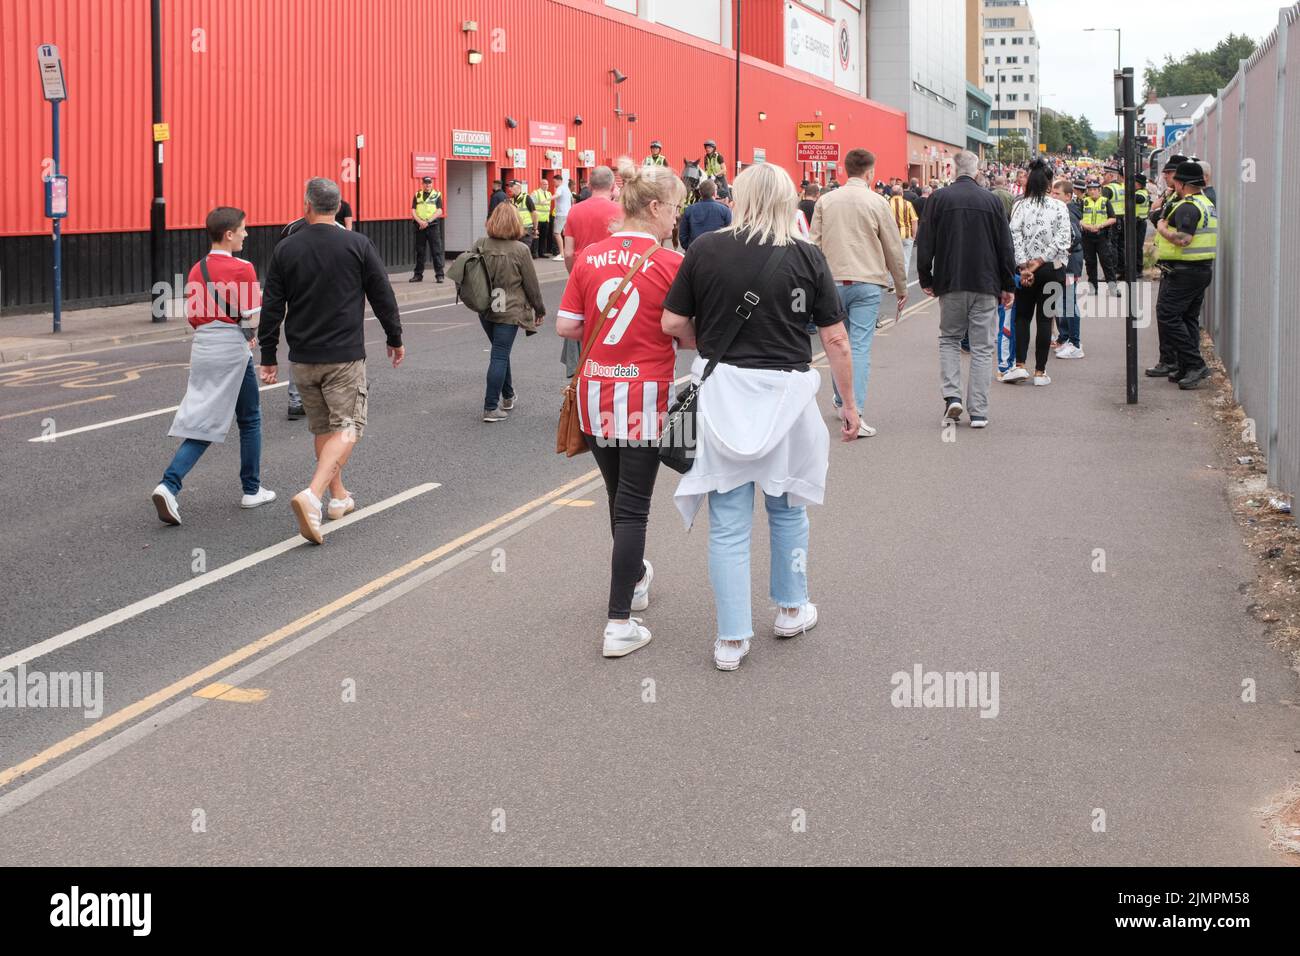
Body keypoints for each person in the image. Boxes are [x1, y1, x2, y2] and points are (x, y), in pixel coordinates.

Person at [661, 162, 858, 672]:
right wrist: (849, 403)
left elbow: (672, 321)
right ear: (790, 201)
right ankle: (791, 609)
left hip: (724, 390)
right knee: (789, 508)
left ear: (739, 197)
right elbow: (835, 338)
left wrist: (704, 340)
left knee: (727, 523)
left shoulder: (705, 249)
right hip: (786, 396)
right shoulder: (807, 257)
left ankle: (731, 639)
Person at [555, 159, 684, 657]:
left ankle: (634, 579)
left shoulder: (589, 257)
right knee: (635, 508)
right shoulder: (672, 263)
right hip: (644, 396)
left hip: (595, 392)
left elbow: (568, 326)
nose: (676, 217)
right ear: (653, 207)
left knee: (617, 498)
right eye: (673, 207)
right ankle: (618, 622)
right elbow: (683, 329)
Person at [257, 178, 404, 545]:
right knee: (350, 427)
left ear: (306, 203)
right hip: (343, 356)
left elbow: (273, 305)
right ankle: (313, 494)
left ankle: (339, 497)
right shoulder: (357, 244)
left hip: (303, 357)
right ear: (338, 208)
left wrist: (269, 354)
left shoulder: (286, 249)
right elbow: (382, 294)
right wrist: (395, 337)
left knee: (324, 429)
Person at [151, 206, 274, 525]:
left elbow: (193, 317)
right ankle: (246, 489)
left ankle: (172, 485)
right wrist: (250, 336)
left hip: (203, 347)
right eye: (243, 230)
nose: (247, 235)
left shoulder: (196, 269)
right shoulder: (243, 268)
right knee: (248, 419)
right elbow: (253, 314)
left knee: (208, 417)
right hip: (232, 347)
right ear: (229, 234)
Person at [809, 147, 908, 437]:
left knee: (836, 344)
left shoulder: (826, 202)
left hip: (831, 282)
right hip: (867, 281)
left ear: (845, 170)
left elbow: (813, 245)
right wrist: (901, 287)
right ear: (869, 173)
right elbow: (892, 246)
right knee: (860, 346)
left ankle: (842, 401)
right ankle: (857, 410)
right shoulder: (878, 202)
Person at [915, 150, 1017, 429]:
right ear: (977, 170)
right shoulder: (992, 201)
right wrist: (1008, 284)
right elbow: (1005, 246)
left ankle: (952, 397)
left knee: (949, 339)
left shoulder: (938, 199)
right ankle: (979, 411)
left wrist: (926, 277)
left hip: (950, 281)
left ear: (952, 169)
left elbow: (924, 242)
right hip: (986, 283)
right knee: (983, 347)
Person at [468, 202, 546, 422]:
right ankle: (491, 406)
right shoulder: (520, 250)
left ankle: (508, 396)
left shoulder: (480, 244)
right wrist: (539, 309)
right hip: (509, 310)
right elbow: (531, 285)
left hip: (485, 308)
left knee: (499, 352)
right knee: (500, 354)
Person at [1005, 159, 1072, 387]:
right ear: (1049, 182)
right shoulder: (1059, 207)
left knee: (1022, 317)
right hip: (1051, 270)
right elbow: (1064, 239)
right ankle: (1040, 372)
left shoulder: (1020, 206)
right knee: (1045, 319)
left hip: (1025, 272)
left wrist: (1025, 266)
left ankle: (1020, 365)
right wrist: (1039, 262)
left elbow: (1014, 237)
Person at [1153, 161, 1217, 389]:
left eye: (1176, 180)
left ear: (1181, 184)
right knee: (1187, 318)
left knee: (1167, 315)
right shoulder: (1205, 202)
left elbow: (1184, 239)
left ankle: (1194, 363)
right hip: (1199, 270)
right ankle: (1185, 365)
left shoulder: (1188, 206)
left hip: (1185, 272)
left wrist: (1161, 229)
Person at [560, 165, 621, 376]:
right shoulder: (620, 211)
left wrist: (574, 275)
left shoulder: (575, 211)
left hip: (583, 277)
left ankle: (578, 374)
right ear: (613, 186)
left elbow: (568, 252)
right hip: (613, 280)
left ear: (589, 185)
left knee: (578, 326)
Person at [1051, 177, 1085, 359]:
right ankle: (1067, 338)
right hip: (1068, 262)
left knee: (1069, 303)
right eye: (1052, 192)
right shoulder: (1064, 209)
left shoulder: (1068, 212)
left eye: (1057, 194)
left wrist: (1063, 251)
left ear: (1068, 196)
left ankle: (1076, 343)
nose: (1053, 196)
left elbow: (1075, 236)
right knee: (1063, 302)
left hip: (1071, 264)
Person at [1079, 180, 1118, 296]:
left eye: (1095, 189)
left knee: (1106, 262)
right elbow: (1078, 218)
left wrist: (1100, 226)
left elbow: (1113, 218)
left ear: (1099, 190)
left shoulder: (1105, 201)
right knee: (1090, 263)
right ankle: (1093, 288)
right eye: (1090, 189)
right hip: (1087, 236)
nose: (1092, 191)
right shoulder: (1083, 202)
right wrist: (1087, 226)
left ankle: (1113, 288)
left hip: (1102, 236)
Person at [677, 177, 731, 250]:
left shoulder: (689, 210)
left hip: (694, 251)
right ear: (715, 193)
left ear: (700, 193)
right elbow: (729, 234)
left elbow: (683, 234)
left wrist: (689, 248)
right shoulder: (725, 210)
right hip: (717, 252)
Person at [410, 176, 444, 283]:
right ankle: (418, 275)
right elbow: (413, 210)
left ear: (432, 184)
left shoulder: (437, 195)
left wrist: (427, 222)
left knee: (436, 251)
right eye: (425, 183)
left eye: (429, 183)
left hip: (432, 226)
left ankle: (439, 275)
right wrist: (420, 221)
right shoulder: (417, 195)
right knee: (420, 252)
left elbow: (439, 211)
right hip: (420, 226)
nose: (427, 185)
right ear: (422, 184)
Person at [889, 184, 919, 282]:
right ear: (901, 193)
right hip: (906, 235)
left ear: (891, 194)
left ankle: (891, 283)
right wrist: (914, 235)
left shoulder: (887, 204)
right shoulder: (908, 204)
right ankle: (902, 282)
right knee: (905, 260)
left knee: (892, 260)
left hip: (892, 236)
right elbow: (914, 220)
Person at [511, 181, 538, 256]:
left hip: (526, 228)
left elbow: (534, 213)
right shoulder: (512, 199)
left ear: (519, 187)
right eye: (510, 187)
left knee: (524, 251)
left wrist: (535, 228)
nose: (510, 189)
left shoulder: (526, 197)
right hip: (516, 228)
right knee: (516, 251)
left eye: (512, 187)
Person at [551, 174, 572, 261]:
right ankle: (568, 252)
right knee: (566, 234)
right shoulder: (567, 188)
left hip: (561, 214)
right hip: (568, 213)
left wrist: (548, 199)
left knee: (556, 233)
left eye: (554, 181)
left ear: (559, 180)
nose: (553, 183)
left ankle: (562, 254)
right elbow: (571, 200)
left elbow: (557, 195)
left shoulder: (560, 188)